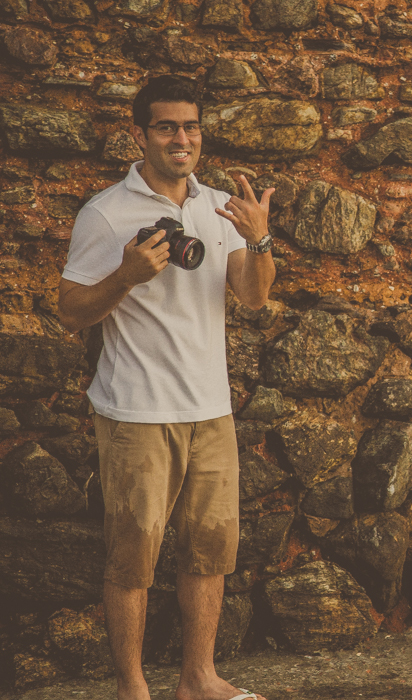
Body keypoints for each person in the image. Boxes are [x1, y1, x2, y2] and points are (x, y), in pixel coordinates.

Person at [57, 75, 275, 700]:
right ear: (139, 134)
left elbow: (255, 296)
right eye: (166, 127)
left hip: (211, 407)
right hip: (136, 411)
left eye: (191, 127)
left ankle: (198, 680)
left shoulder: (216, 208)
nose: (182, 139)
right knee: (132, 561)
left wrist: (257, 236)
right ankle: (132, 688)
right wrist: (125, 274)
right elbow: (71, 312)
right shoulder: (104, 212)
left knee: (208, 554)